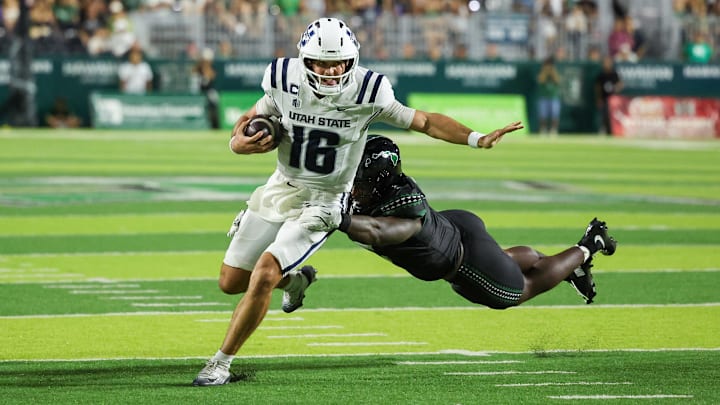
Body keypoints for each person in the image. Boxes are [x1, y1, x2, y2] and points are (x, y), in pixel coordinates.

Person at [192, 17, 524, 386]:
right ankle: (296, 283)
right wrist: (237, 142)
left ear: (352, 60)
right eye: (322, 62)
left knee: (265, 272)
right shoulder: (283, 79)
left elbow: (426, 122)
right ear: (306, 60)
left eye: (339, 62)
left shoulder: (369, 90)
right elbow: (252, 117)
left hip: (325, 201)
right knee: (231, 281)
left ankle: (220, 362)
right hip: (281, 186)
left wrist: (477, 138)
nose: (332, 70)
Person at [299, 135, 617, 310]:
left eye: (361, 182)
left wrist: (339, 219)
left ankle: (589, 246)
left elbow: (382, 231)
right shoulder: (379, 189)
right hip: (458, 232)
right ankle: (565, 262)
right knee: (502, 261)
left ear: (380, 181)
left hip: (463, 258)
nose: (354, 188)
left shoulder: (402, 208)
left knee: (515, 291)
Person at [594, 56, 623, 135]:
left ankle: (613, 131)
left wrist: (617, 88)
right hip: (604, 99)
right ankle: (604, 130)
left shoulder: (614, 73)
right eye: (605, 63)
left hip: (613, 100)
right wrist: (598, 99)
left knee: (613, 116)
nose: (607, 64)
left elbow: (620, 84)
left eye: (608, 62)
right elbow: (598, 88)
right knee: (604, 116)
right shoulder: (601, 74)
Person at [536, 56, 561, 135]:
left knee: (555, 114)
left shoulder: (555, 72)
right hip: (544, 97)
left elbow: (557, 81)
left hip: (554, 97)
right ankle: (543, 129)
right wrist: (545, 71)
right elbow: (540, 80)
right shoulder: (542, 72)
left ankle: (554, 130)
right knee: (543, 115)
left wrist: (552, 71)